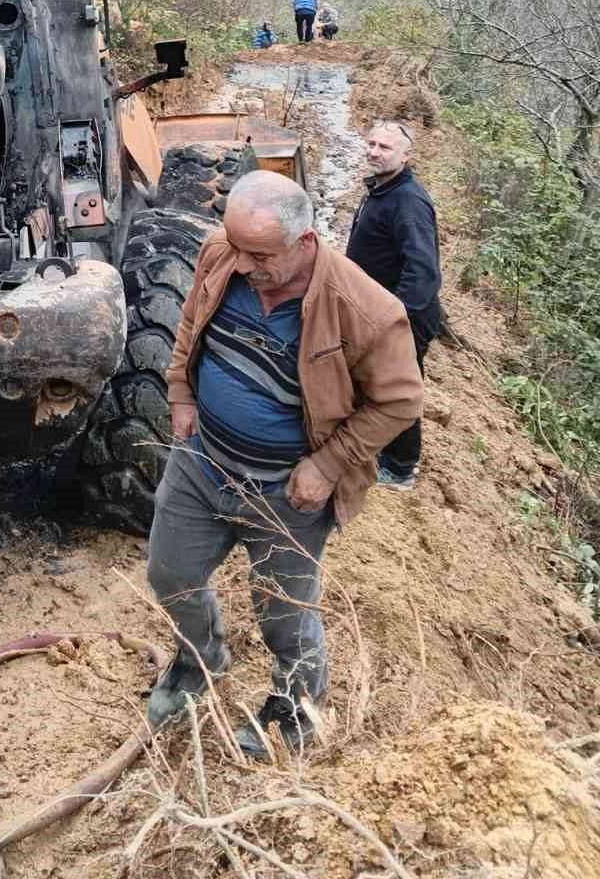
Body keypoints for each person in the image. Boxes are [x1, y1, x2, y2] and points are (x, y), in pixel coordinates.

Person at [146, 171, 422, 756]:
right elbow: (190, 323)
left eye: (260, 254)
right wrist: (181, 393)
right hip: (204, 465)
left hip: (286, 494)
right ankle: (200, 661)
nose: (243, 265)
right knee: (170, 575)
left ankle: (295, 707)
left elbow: (400, 401)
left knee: (285, 615)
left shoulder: (366, 309)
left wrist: (329, 463)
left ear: (304, 240)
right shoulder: (222, 253)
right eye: (236, 247)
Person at [346, 120, 442, 490]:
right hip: (376, 313)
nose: (374, 151)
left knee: (397, 390)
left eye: (384, 147)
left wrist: (394, 322)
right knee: (375, 385)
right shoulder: (382, 188)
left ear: (406, 155)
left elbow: (422, 272)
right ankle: (380, 449)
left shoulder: (408, 201)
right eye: (371, 143)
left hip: (402, 318)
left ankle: (400, 469)